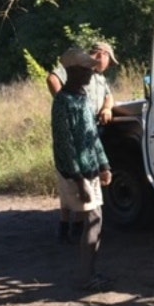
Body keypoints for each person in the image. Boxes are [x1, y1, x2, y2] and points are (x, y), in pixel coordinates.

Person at [51, 46, 113, 291]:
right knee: (94, 220)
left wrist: (104, 165)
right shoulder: (63, 103)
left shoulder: (82, 98)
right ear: (73, 71)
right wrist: (79, 181)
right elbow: (65, 146)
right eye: (86, 69)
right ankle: (87, 277)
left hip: (90, 171)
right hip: (76, 175)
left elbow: (92, 137)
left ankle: (91, 273)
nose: (91, 73)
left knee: (96, 221)